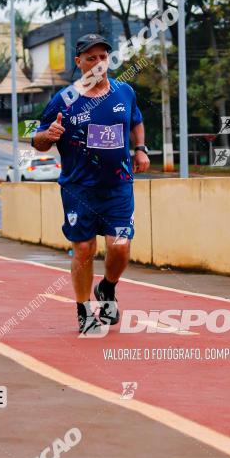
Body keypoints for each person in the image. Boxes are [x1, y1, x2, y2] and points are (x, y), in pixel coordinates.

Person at [32, 33, 150, 336]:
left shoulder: (124, 91)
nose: (98, 63)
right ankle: (84, 311)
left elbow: (135, 120)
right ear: (79, 62)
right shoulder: (65, 99)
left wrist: (141, 148)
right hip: (79, 187)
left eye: (103, 57)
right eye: (91, 58)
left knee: (120, 247)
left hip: (118, 185)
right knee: (84, 249)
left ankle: (107, 288)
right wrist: (49, 135)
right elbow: (38, 139)